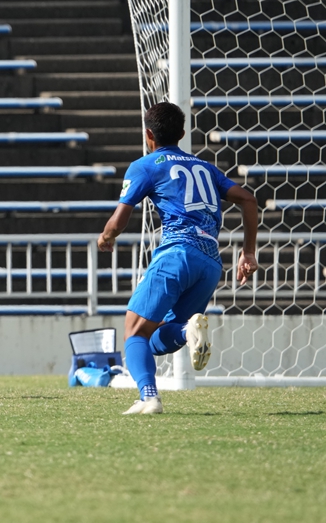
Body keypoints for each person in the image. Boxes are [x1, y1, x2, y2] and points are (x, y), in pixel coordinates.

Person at [97, 102, 259, 415]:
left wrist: (106, 237)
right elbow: (248, 199)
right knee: (155, 338)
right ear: (182, 134)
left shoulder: (146, 165)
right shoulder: (205, 167)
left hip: (177, 253)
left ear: (148, 134)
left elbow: (117, 222)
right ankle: (188, 331)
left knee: (134, 331)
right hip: (210, 263)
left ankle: (149, 398)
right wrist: (248, 252)